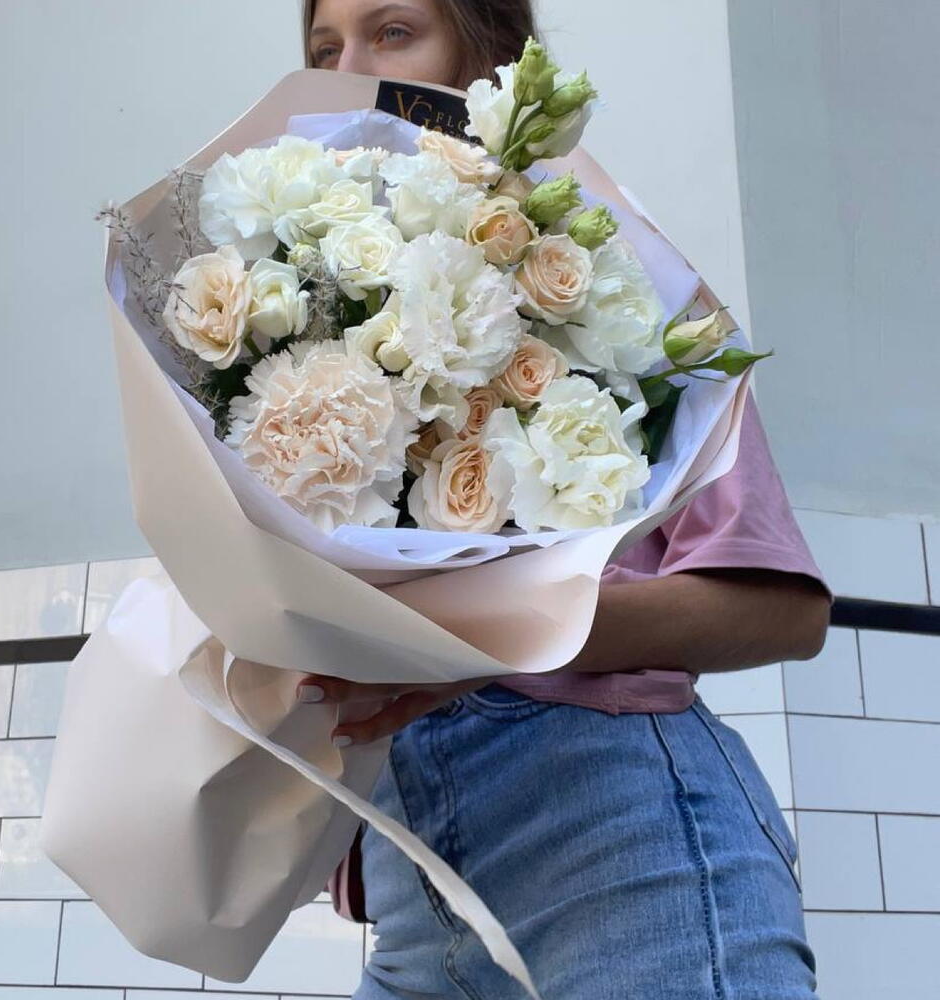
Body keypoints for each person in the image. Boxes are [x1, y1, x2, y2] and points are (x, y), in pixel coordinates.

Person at [299, 2, 833, 997]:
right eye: (325, 48)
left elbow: (784, 609)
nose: (351, 68)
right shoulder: (304, 304)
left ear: (487, 55)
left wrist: (480, 633)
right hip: (415, 888)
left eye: (394, 31)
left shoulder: (615, 270)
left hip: (622, 853)